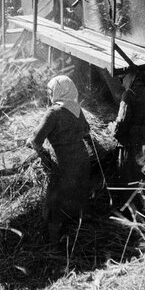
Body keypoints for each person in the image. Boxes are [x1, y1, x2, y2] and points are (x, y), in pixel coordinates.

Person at [26, 75, 93, 242]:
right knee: (78, 195)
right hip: (82, 160)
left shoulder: (53, 113)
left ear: (57, 92)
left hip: (63, 164)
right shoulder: (77, 109)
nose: (49, 95)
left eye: (50, 91)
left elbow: (36, 141)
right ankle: (82, 235)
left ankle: (54, 245)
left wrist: (37, 148)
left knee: (56, 202)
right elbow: (86, 131)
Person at [112, 71, 145, 190]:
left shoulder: (129, 94)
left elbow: (122, 121)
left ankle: (129, 205)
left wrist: (114, 133)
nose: (121, 83)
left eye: (122, 79)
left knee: (129, 176)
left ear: (131, 77)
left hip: (132, 140)